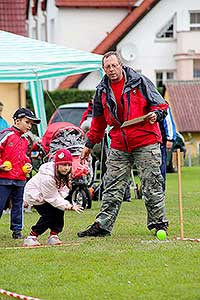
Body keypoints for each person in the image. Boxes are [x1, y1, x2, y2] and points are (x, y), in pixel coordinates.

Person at [77, 51, 169, 238]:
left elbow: (161, 105)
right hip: (119, 142)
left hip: (146, 139)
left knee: (151, 184)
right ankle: (102, 226)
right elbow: (98, 122)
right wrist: (89, 144)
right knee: (111, 185)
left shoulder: (140, 81)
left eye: (114, 65)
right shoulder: (101, 91)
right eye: (107, 67)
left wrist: (155, 115)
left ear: (121, 65)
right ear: (104, 69)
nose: (111, 70)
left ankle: (159, 224)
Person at [23, 148, 83, 247]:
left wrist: (62, 202)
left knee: (59, 211)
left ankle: (54, 235)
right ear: (57, 165)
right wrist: (69, 206)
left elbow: (64, 190)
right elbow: (51, 197)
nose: (66, 168)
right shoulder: (48, 177)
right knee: (49, 215)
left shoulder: (66, 174)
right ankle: (32, 237)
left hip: (50, 195)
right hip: (35, 195)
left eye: (68, 165)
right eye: (63, 165)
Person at [0, 107, 41, 239]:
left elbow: (24, 157)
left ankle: (17, 231)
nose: (30, 126)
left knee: (18, 206)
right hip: (3, 178)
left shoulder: (25, 140)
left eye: (31, 124)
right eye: (27, 122)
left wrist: (27, 165)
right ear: (17, 121)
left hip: (20, 179)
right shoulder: (6, 134)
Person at [160, 107, 176, 192]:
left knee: (161, 168)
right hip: (147, 142)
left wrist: (170, 138)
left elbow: (168, 121)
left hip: (161, 142)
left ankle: (161, 192)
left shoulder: (162, 104)